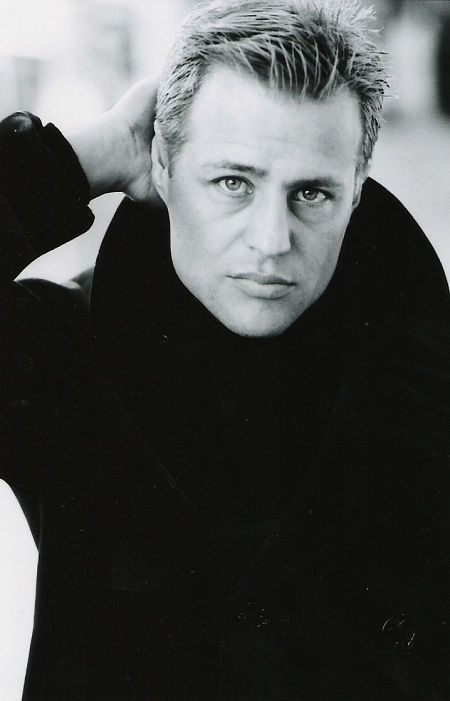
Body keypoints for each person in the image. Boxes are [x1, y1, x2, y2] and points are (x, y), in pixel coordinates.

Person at [1, 0, 449, 698]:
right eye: (233, 182)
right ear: (162, 164)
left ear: (358, 192)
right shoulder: (69, 349)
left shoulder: (428, 379)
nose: (271, 241)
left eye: (312, 194)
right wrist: (82, 158)